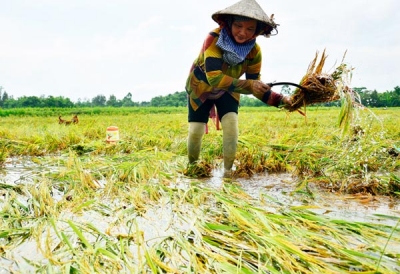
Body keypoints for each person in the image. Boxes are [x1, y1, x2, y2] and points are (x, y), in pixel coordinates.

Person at [185, 0, 292, 175]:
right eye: (238, 26)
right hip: (201, 86)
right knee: (196, 129)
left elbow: (255, 86)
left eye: (250, 29)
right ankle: (192, 168)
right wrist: (250, 85)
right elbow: (214, 78)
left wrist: (283, 101)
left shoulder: (254, 52)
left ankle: (228, 172)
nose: (243, 32)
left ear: (257, 31)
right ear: (229, 23)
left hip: (230, 88)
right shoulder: (214, 38)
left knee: (231, 125)